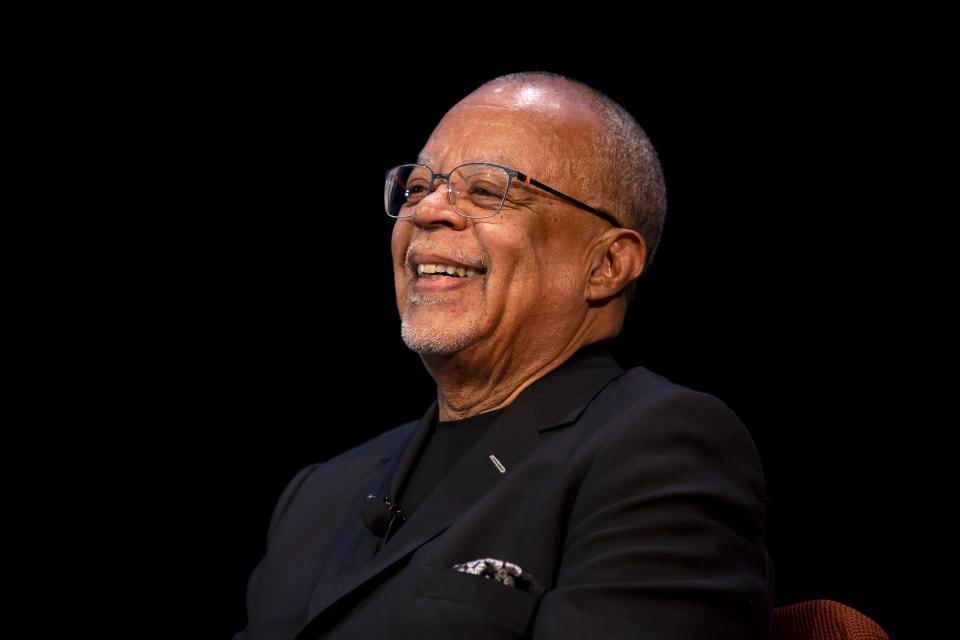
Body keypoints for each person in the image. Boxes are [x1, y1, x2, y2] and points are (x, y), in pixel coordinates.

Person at [235, 71, 774, 639]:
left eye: (487, 190)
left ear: (606, 265)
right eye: (418, 186)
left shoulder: (659, 449)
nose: (427, 212)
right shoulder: (318, 495)